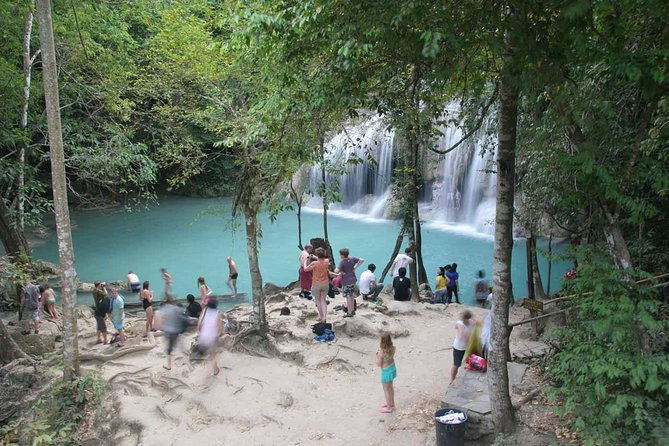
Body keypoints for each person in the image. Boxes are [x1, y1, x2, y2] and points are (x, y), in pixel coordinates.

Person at [303, 247, 337, 323]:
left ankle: (321, 316)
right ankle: (324, 317)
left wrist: (306, 260)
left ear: (317, 255)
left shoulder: (314, 263)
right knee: (323, 301)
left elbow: (305, 269)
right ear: (324, 254)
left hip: (316, 284)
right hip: (325, 284)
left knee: (318, 301)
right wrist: (315, 257)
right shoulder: (327, 261)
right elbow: (322, 260)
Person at [335, 248, 364, 318]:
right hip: (353, 279)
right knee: (351, 295)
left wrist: (340, 271)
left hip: (346, 281)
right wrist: (355, 267)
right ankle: (352, 310)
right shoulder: (352, 259)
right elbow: (362, 260)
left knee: (348, 296)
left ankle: (349, 312)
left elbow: (336, 271)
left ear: (342, 255)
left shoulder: (342, 262)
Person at [198, 298, 224, 376]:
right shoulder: (217, 314)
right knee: (213, 355)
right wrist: (222, 333)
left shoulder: (204, 312)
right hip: (211, 337)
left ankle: (204, 354)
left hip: (203, 336)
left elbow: (199, 324)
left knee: (209, 352)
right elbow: (219, 327)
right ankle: (215, 370)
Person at [161, 298, 187, 370]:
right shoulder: (176, 310)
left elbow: (164, 321)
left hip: (171, 332)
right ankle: (185, 360)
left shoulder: (167, 310)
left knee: (169, 349)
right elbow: (183, 318)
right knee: (181, 346)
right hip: (177, 331)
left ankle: (169, 366)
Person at [451, 310, 475, 383]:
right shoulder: (459, 323)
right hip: (459, 347)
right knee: (456, 364)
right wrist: (462, 331)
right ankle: (452, 380)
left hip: (468, 347)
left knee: (468, 363)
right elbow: (460, 335)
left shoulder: (472, 322)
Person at [376, 333, 397, 413]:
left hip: (386, 371)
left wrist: (377, 355)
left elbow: (379, 364)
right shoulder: (393, 348)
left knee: (386, 389)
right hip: (392, 368)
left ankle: (389, 408)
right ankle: (392, 404)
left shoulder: (381, 352)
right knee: (390, 387)